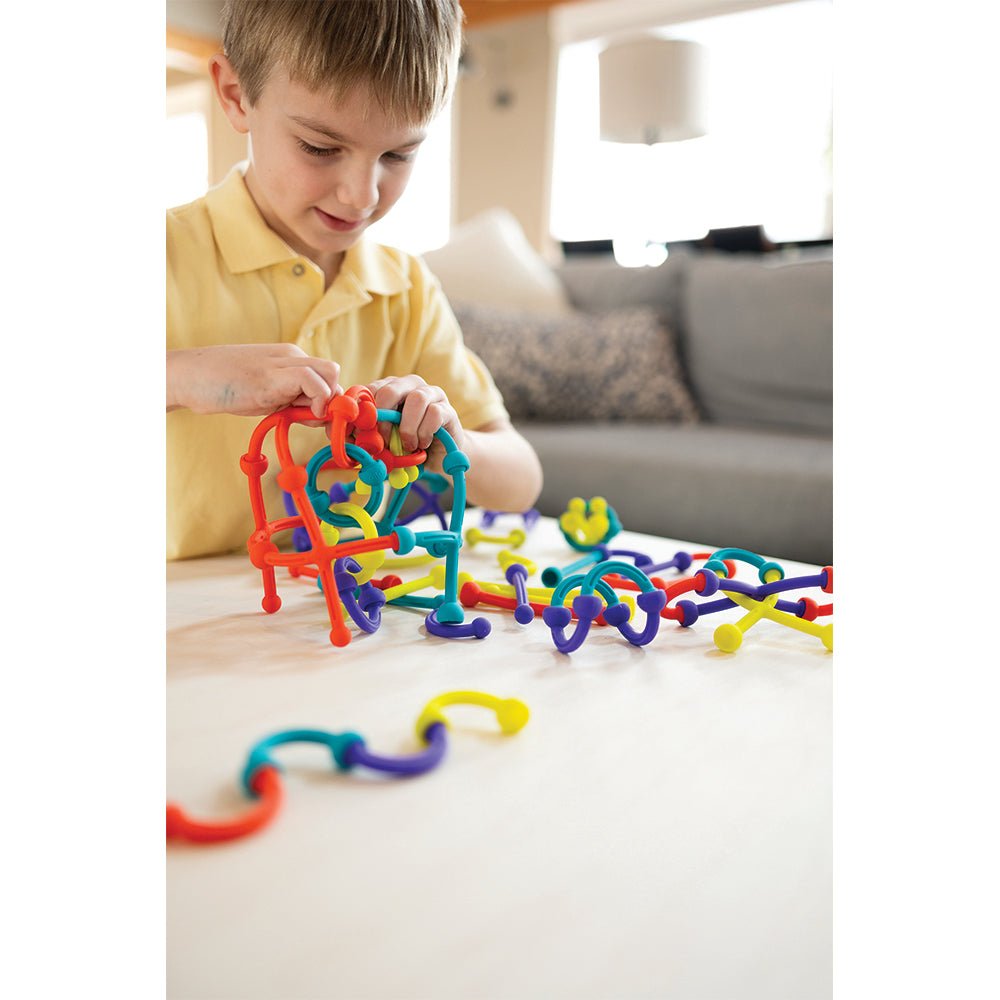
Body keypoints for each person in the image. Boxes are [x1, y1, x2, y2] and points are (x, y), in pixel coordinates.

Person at [166, 0, 543, 560]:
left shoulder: (406, 288)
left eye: (399, 154)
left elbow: (522, 480)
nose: (361, 195)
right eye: (320, 148)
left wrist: (453, 441)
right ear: (236, 95)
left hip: (334, 597)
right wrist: (179, 377)